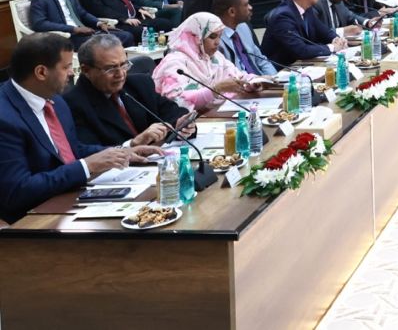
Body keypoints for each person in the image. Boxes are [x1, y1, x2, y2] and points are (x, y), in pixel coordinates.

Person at [0, 34, 157, 224]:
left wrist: (122, 151)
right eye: (66, 67)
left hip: (71, 198)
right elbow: (17, 191)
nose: (72, 73)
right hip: (32, 219)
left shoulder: (55, 100)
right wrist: (86, 166)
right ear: (41, 72)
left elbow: (73, 150)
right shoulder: (5, 118)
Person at [65, 34, 193, 148]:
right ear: (86, 70)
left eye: (124, 65)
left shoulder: (139, 84)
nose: (120, 74)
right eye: (111, 68)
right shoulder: (73, 104)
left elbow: (174, 113)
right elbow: (89, 152)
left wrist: (181, 125)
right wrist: (133, 144)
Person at [154, 13, 268, 112]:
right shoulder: (174, 63)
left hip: (214, 116)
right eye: (212, 37)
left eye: (220, 36)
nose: (218, 42)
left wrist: (253, 82)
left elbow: (237, 77)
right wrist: (217, 89)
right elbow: (176, 102)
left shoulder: (214, 57)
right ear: (196, 37)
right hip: (188, 125)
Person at [260, 0, 346, 65]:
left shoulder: (307, 9)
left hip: (301, 65)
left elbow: (323, 31)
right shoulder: (282, 17)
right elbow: (301, 50)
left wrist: (336, 39)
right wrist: (332, 47)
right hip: (282, 69)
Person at [211, 0, 275, 76]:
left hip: (261, 80)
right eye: (246, 5)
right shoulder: (214, 39)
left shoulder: (243, 27)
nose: (250, 7)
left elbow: (262, 61)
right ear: (232, 12)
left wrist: (275, 79)